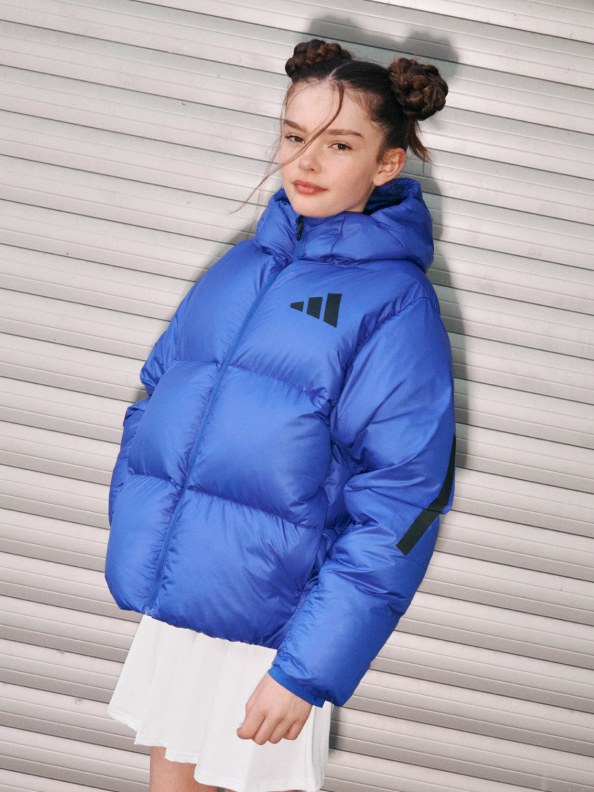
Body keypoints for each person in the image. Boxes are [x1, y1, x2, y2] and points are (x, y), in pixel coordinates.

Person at [104, 37, 455, 792]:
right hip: (185, 610)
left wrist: (306, 669)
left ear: (387, 163)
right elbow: (157, 396)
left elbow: (402, 503)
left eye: (340, 144)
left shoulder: (394, 306)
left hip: (274, 638)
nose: (308, 161)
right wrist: (143, 515)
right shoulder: (239, 268)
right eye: (296, 137)